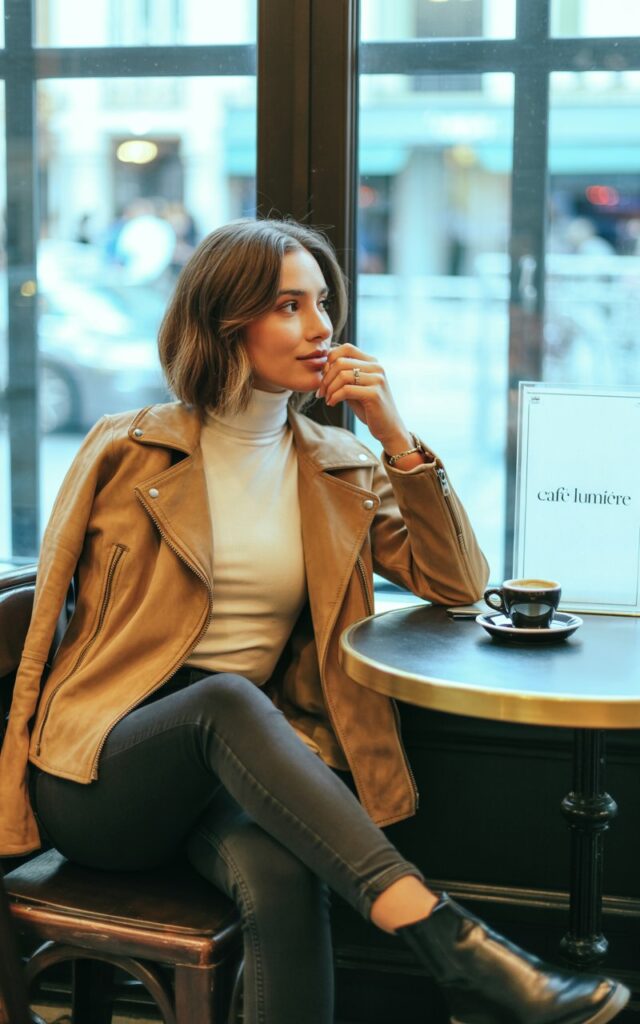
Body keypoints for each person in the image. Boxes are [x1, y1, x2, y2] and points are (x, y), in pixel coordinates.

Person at [0, 219, 629, 1024]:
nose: (322, 326)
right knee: (224, 697)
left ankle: (459, 955)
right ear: (228, 320)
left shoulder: (340, 466)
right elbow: (43, 622)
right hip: (101, 772)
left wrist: (395, 434)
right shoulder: (125, 451)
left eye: (323, 302)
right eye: (289, 305)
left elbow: (457, 582)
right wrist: (12, 802)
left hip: (233, 765)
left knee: (285, 872)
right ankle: (454, 943)